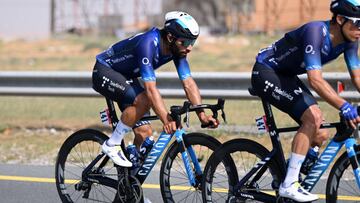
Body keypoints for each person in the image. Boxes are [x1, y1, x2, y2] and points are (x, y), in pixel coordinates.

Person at [251, 0, 360, 202]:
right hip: (266, 72)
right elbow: (315, 80)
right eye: (357, 23)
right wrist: (344, 106)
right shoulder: (316, 31)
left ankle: (291, 169)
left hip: (286, 76)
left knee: (320, 133)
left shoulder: (351, 41)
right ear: (340, 19)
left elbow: (357, 77)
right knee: (313, 117)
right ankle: (289, 184)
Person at [92, 11, 219, 168]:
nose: (189, 48)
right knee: (144, 99)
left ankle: (129, 181)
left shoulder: (176, 49)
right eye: (185, 42)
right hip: (105, 71)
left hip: (127, 76)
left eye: (192, 42)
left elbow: (188, 84)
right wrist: (166, 119)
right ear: (171, 37)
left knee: (145, 133)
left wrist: (202, 116)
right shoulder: (148, 44)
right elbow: (151, 90)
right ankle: (113, 143)